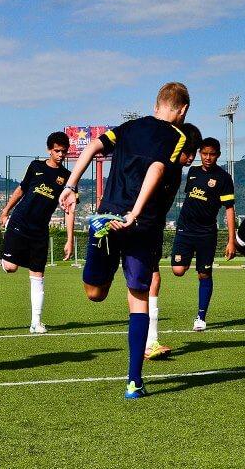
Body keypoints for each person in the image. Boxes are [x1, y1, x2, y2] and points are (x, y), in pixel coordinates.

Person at [59, 82, 190, 399]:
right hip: (139, 224)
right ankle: (133, 381)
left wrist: (72, 185)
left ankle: (135, 380)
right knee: (136, 296)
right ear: (182, 110)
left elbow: (91, 148)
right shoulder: (178, 137)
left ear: (157, 103)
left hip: (107, 217)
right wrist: (135, 212)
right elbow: (157, 169)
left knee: (96, 293)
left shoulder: (128, 127)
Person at [0, 132, 75, 334]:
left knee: (38, 275)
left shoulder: (66, 178)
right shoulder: (36, 167)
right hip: (20, 222)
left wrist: (69, 239)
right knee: (11, 267)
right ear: (49, 150)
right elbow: (21, 189)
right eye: (57, 151)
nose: (60, 154)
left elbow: (69, 210)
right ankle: (6, 251)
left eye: (64, 151)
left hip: (40, 230)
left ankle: (36, 322)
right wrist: (6, 210)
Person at [145, 123, 202, 359]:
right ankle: (148, 342)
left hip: (152, 227)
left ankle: (150, 342)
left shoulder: (178, 172)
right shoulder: (160, 165)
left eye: (193, 153)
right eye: (187, 152)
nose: (190, 158)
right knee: (98, 290)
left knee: (151, 279)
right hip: (139, 225)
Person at [170, 137, 237, 332]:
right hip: (185, 228)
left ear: (218, 155)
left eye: (212, 154)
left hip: (206, 232)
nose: (208, 158)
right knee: (178, 270)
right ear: (200, 153)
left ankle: (201, 317)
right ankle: (191, 258)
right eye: (204, 153)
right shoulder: (192, 172)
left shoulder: (224, 178)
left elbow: (229, 209)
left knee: (204, 273)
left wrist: (231, 240)